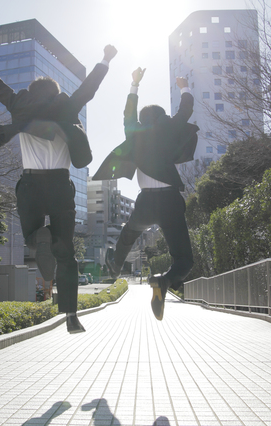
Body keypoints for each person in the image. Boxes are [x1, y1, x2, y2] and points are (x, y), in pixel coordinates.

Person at [0, 41, 117, 333]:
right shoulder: (67, 107)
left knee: (33, 239)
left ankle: (40, 238)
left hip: (31, 183)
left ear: (33, 93)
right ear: (56, 94)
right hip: (60, 184)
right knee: (67, 253)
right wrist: (106, 60)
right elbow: (89, 88)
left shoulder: (20, 103)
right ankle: (71, 316)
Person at [93, 67, 199, 321]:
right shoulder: (169, 128)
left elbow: (127, 115)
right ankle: (164, 282)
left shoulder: (135, 133)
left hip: (146, 202)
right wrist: (184, 86)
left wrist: (134, 85)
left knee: (128, 234)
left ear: (142, 119)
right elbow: (186, 111)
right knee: (184, 260)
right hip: (170, 201)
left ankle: (114, 266)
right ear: (161, 117)